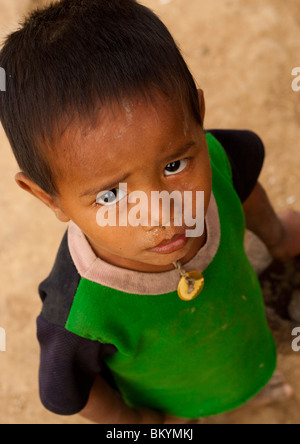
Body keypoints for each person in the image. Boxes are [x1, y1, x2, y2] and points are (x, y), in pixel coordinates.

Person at [0, 0, 299, 424]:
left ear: (197, 115)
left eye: (174, 166)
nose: (162, 216)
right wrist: (139, 425)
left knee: (246, 380)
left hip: (243, 349)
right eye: (110, 196)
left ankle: (247, 390)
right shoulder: (79, 315)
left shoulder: (217, 156)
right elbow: (68, 393)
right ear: (49, 197)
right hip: (176, 405)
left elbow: (245, 178)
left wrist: (278, 236)